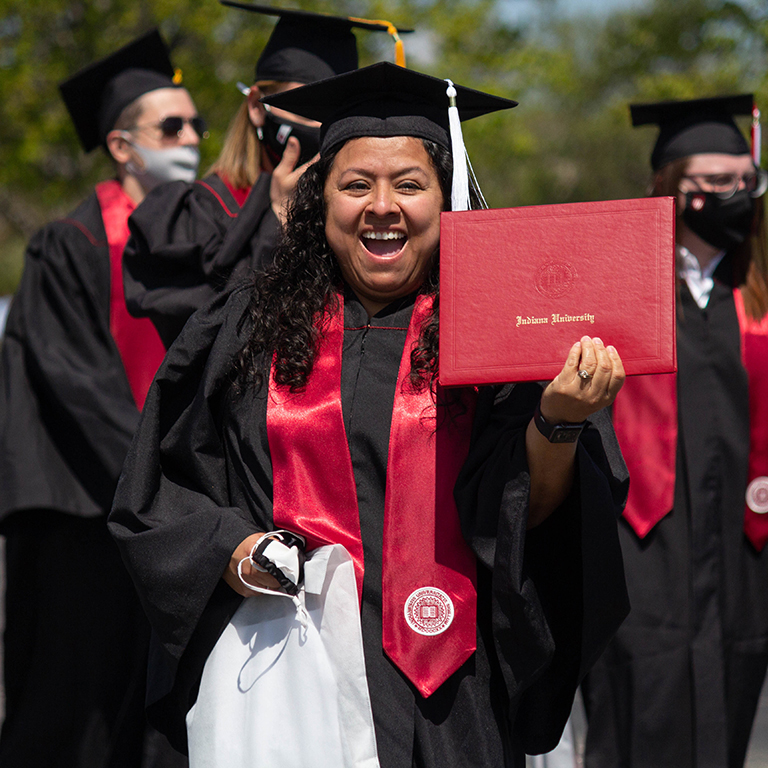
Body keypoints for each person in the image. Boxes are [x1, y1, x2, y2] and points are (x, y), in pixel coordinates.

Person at [108, 62, 631, 767]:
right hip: (286, 684)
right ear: (320, 204)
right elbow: (161, 490)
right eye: (355, 185)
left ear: (447, 202)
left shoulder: (507, 338)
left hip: (454, 698)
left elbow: (534, 521)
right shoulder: (247, 329)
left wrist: (558, 421)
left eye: (409, 185)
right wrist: (230, 551)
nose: (381, 206)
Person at [0, 29, 204, 768]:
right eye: (172, 127)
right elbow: (76, 384)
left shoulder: (199, 243)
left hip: (168, 517)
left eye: (197, 126)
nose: (192, 139)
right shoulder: (70, 245)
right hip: (86, 522)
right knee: (75, 717)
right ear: (122, 146)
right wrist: (164, 481)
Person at [582, 95, 768, 768]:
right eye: (713, 183)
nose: (733, 195)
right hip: (642, 557)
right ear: (667, 187)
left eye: (744, 181)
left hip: (745, 557)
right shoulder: (614, 291)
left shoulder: (755, 296)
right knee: (638, 721)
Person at [123, 2, 410, 347]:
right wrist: (276, 221)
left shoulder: (355, 211)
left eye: (334, 112)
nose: (320, 126)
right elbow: (198, 340)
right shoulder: (198, 211)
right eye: (305, 106)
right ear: (258, 107)